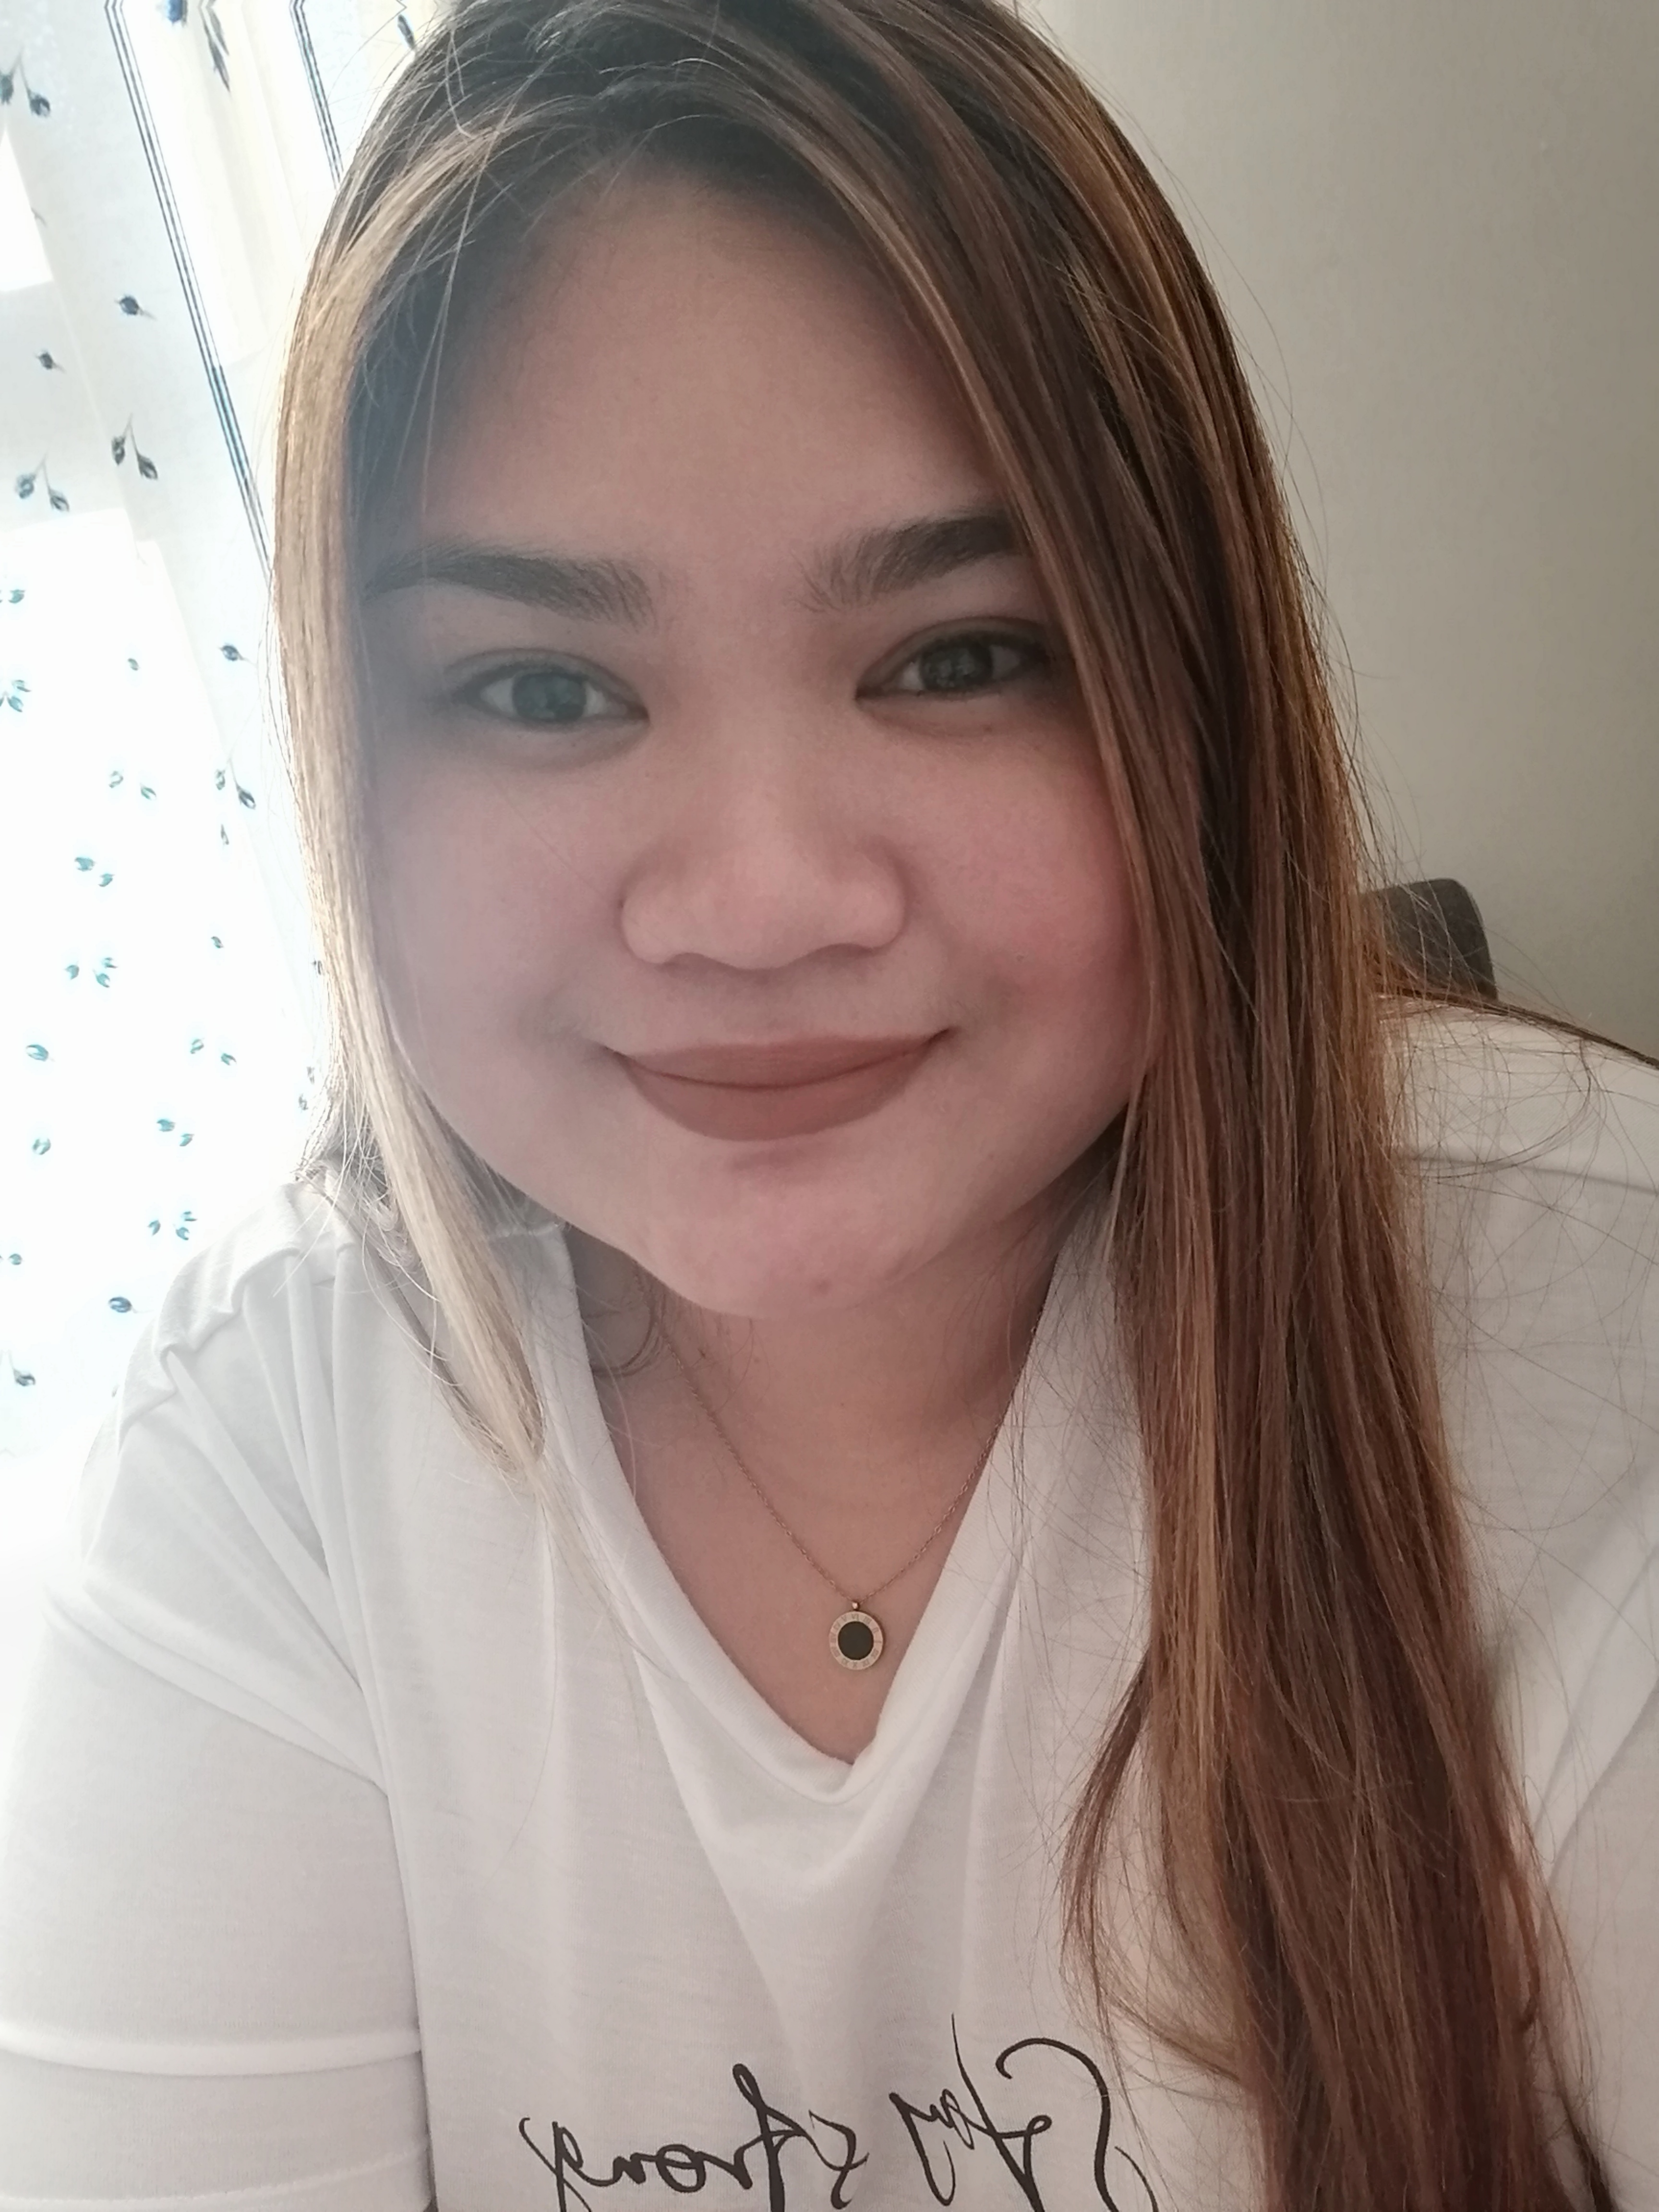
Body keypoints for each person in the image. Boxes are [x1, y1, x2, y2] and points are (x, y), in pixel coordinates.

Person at [0, 0, 1655, 2205]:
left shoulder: (1588, 1341)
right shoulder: (274, 1445)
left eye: (957, 656)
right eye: (545, 688)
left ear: (1190, 694)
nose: (760, 902)